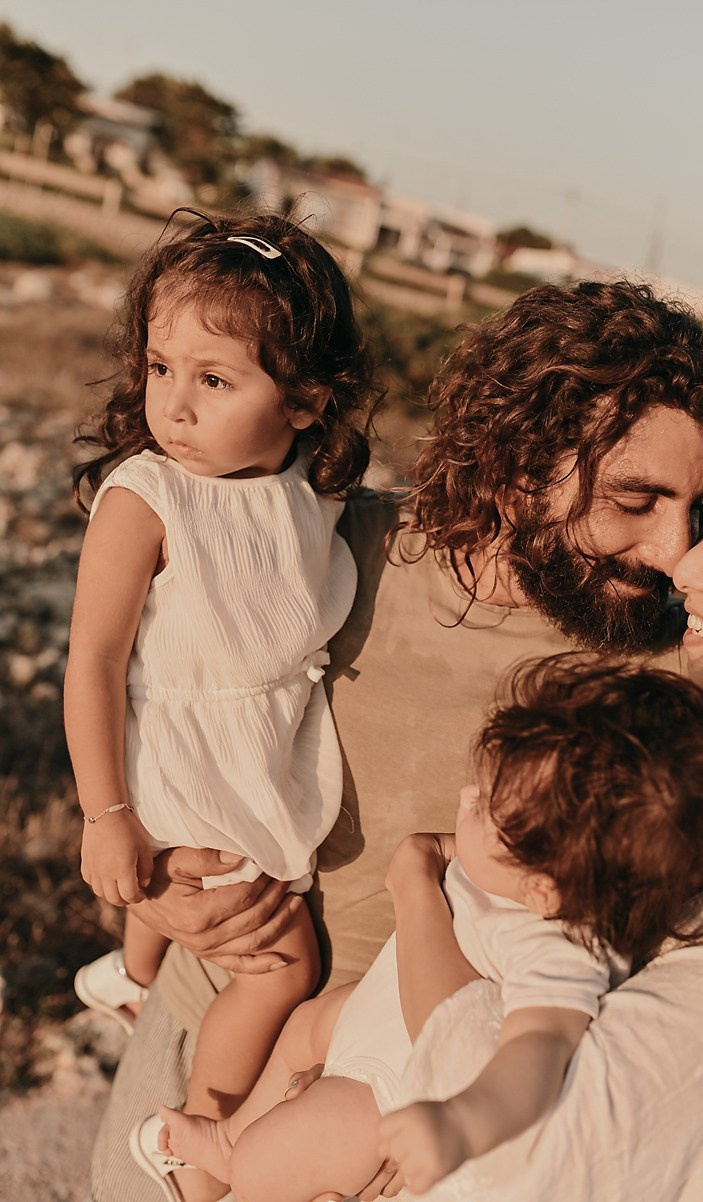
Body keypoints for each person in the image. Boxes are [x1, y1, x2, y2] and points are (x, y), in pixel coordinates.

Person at [90, 279, 703, 1202]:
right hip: (193, 1030)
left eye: (698, 507)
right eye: (636, 499)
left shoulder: (664, 671)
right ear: (522, 452)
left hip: (382, 1128)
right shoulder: (324, 546)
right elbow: (149, 690)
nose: (673, 550)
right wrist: (151, 885)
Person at [369, 407, 703, 1201]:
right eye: (642, 502)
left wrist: (414, 896)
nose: (683, 564)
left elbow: (533, 1156)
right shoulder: (683, 735)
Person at [156, 653, 703, 1201]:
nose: (467, 795)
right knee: (306, 1027)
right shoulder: (517, 872)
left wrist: (464, 1120)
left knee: (276, 1161)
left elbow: (536, 1053)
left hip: (390, 1091)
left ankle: (245, 1173)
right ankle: (229, 1140)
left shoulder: (561, 947)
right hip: (369, 1017)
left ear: (544, 888)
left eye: (483, 805)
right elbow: (460, 860)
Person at [64, 210, 378, 1200]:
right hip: (178, 759)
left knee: (226, 910)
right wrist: (106, 815)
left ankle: (132, 973)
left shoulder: (302, 497)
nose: (174, 405)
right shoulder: (147, 495)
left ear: (304, 402)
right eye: (160, 367)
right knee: (282, 963)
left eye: (213, 378)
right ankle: (200, 1129)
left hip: (248, 753)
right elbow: (95, 661)